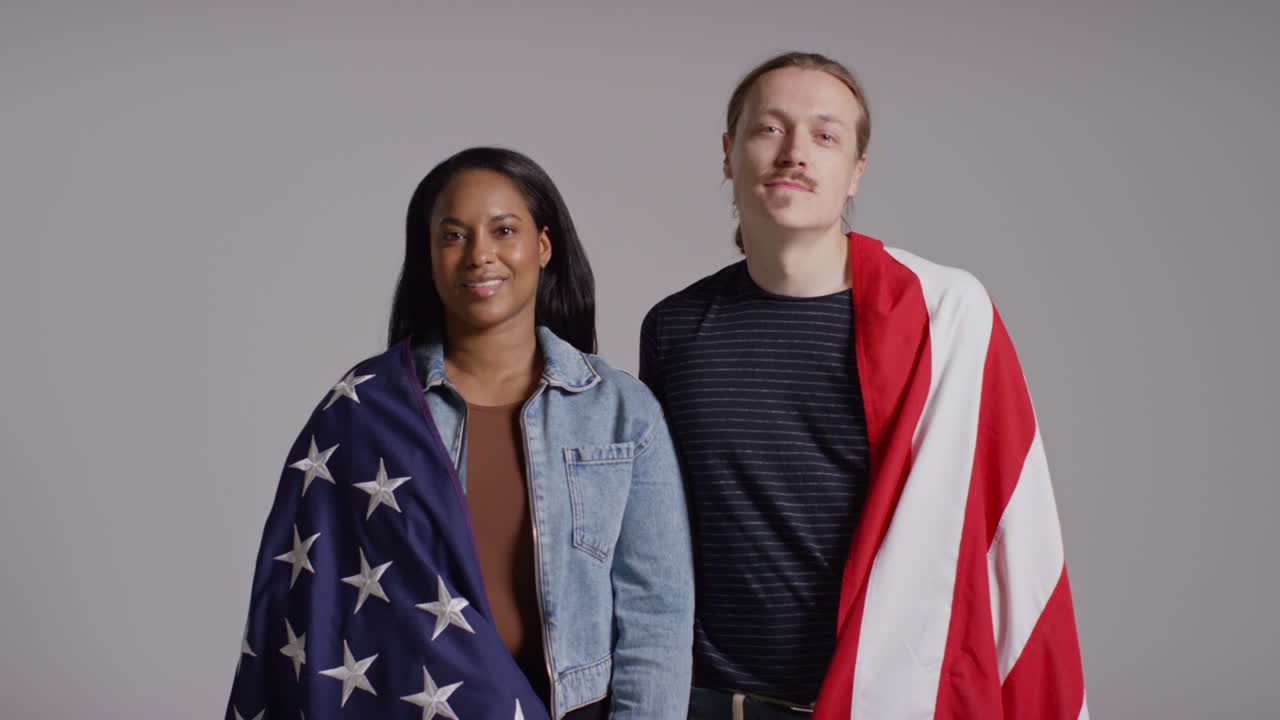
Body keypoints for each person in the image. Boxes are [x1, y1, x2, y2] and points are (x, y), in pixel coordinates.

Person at [640, 52, 1088, 719]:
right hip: (709, 702)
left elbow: (1007, 542)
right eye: (770, 129)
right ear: (730, 154)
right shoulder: (674, 329)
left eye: (825, 136)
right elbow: (661, 535)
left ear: (855, 173)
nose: (796, 153)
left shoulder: (942, 321)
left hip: (886, 698)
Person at [230, 147, 694, 719]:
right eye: (453, 236)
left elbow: (657, 613)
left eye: (504, 230)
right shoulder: (367, 408)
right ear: (429, 258)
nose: (480, 255)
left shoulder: (621, 410)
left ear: (543, 247)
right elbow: (313, 604)